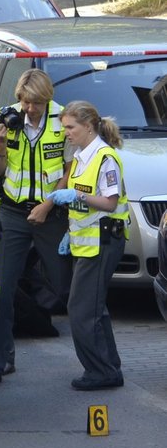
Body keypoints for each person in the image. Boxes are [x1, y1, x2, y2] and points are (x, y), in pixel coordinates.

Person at [0, 68, 72, 387]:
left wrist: (48, 206)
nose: (30, 109)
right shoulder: (9, 119)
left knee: (70, 288)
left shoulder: (64, 121)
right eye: (25, 102)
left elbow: (69, 169)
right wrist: (1, 144)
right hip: (12, 213)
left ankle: (101, 363)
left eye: (36, 103)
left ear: (47, 99)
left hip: (52, 213)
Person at [47, 101, 127, 390]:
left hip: (103, 240)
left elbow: (110, 201)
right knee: (94, 309)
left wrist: (75, 197)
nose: (66, 133)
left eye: (70, 127)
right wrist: (71, 230)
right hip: (89, 242)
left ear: (88, 126)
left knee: (82, 312)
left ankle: (100, 371)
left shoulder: (104, 157)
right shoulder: (82, 156)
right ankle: (108, 367)